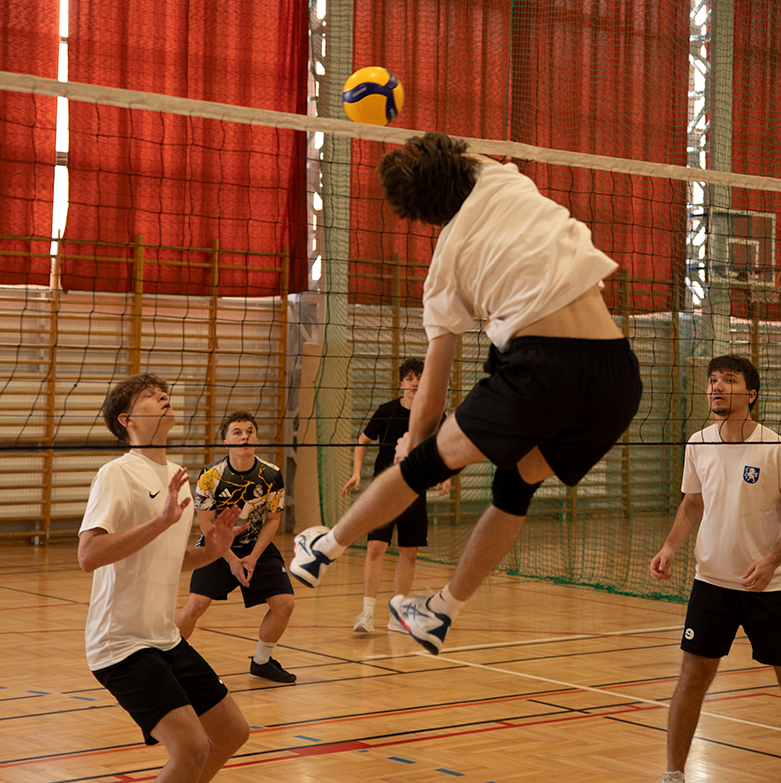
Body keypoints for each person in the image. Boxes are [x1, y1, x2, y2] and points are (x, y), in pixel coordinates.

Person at [290, 131, 642, 656]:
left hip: (541, 370)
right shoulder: (505, 180)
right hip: (617, 378)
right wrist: (405, 136)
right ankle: (441, 610)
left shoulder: (444, 269)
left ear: (423, 215)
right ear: (462, 164)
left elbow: (431, 394)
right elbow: (461, 152)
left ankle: (325, 546)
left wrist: (415, 443)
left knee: (419, 467)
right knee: (515, 486)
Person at [78, 372, 249, 783]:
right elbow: (88, 555)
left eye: (163, 393)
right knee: (191, 748)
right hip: (120, 644)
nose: (162, 396)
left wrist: (212, 551)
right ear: (127, 420)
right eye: (149, 395)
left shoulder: (177, 477)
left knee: (231, 733)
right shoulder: (118, 473)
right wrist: (159, 522)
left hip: (164, 638)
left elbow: (166, 559)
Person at [650, 354, 781, 783]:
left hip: (769, 588)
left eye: (729, 380)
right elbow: (693, 503)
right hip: (711, 584)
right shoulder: (698, 442)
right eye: (712, 381)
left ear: (751, 394)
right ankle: (673, 774)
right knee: (692, 678)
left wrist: (771, 561)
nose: (717, 387)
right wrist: (670, 546)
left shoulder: (774, 447)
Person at [175, 410, 296, 684]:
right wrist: (230, 559)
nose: (245, 437)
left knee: (285, 604)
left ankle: (262, 662)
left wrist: (252, 557)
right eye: (238, 432)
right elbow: (206, 524)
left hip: (256, 546)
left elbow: (273, 520)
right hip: (217, 547)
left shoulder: (272, 474)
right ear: (226, 441)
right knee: (195, 605)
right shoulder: (210, 476)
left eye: (250, 432)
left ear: (257, 438)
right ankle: (166, 661)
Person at [342, 356, 450, 635]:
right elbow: (363, 441)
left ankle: (397, 615)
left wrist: (445, 475)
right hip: (383, 492)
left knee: (409, 553)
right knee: (375, 547)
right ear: (401, 383)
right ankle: (367, 614)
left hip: (414, 491)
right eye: (409, 378)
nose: (415, 383)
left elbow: (446, 447)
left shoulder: (433, 414)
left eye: (420, 379)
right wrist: (357, 472)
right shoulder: (386, 411)